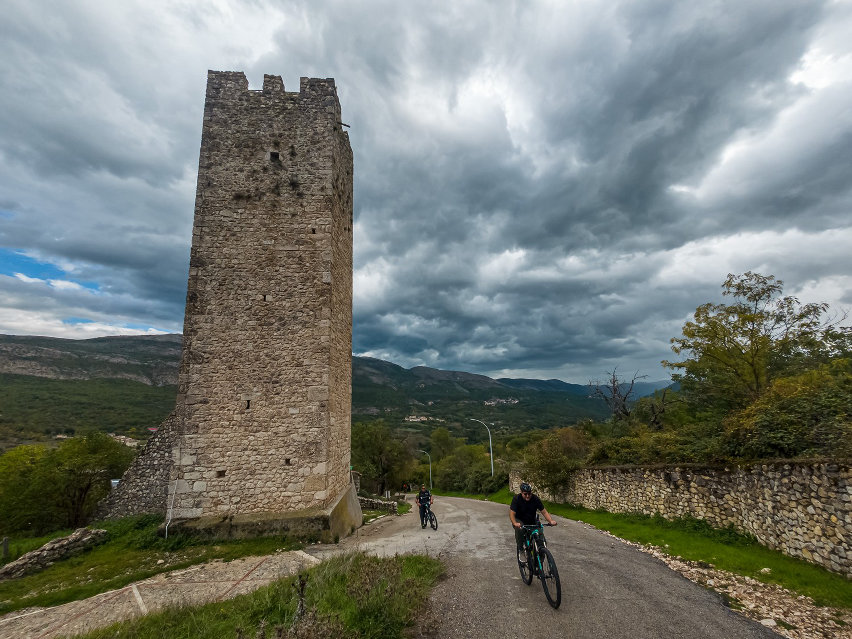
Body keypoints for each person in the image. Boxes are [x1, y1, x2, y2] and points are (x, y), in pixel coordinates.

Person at [509, 482, 556, 553]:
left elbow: (544, 511)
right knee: (520, 530)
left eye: (529, 494)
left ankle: (540, 557)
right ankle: (521, 549)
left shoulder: (535, 499)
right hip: (519, 520)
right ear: (521, 492)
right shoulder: (517, 499)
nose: (527, 496)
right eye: (525, 494)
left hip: (532, 520)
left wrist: (550, 521)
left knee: (541, 538)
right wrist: (515, 523)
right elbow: (512, 513)